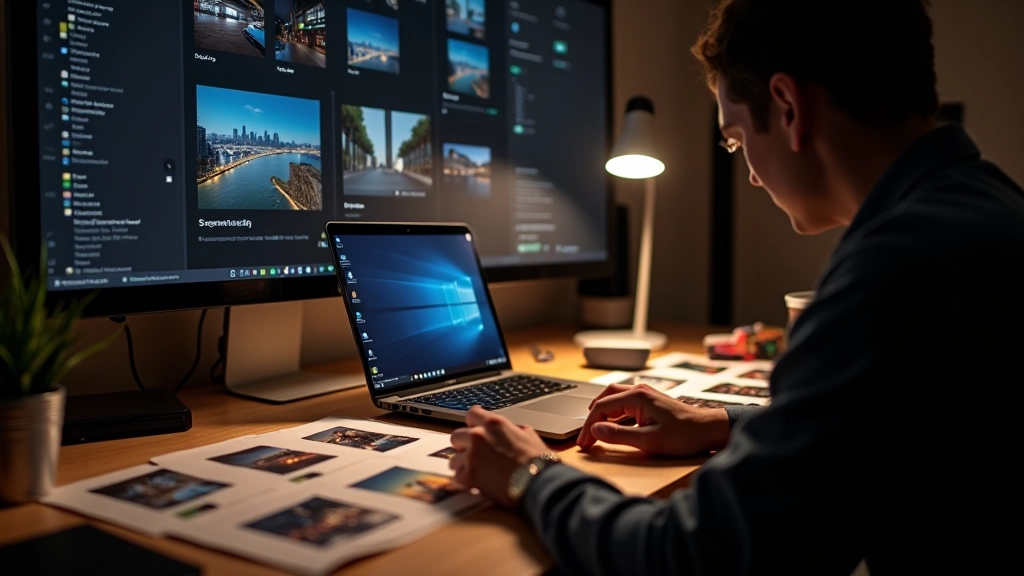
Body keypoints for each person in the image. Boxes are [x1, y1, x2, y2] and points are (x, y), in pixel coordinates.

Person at [447, 1, 1023, 574]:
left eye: (736, 138)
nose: (748, 172)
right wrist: (720, 421)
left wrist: (530, 474)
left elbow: (691, 558)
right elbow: (874, 425)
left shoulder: (893, 273)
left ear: (789, 107)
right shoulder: (985, 209)